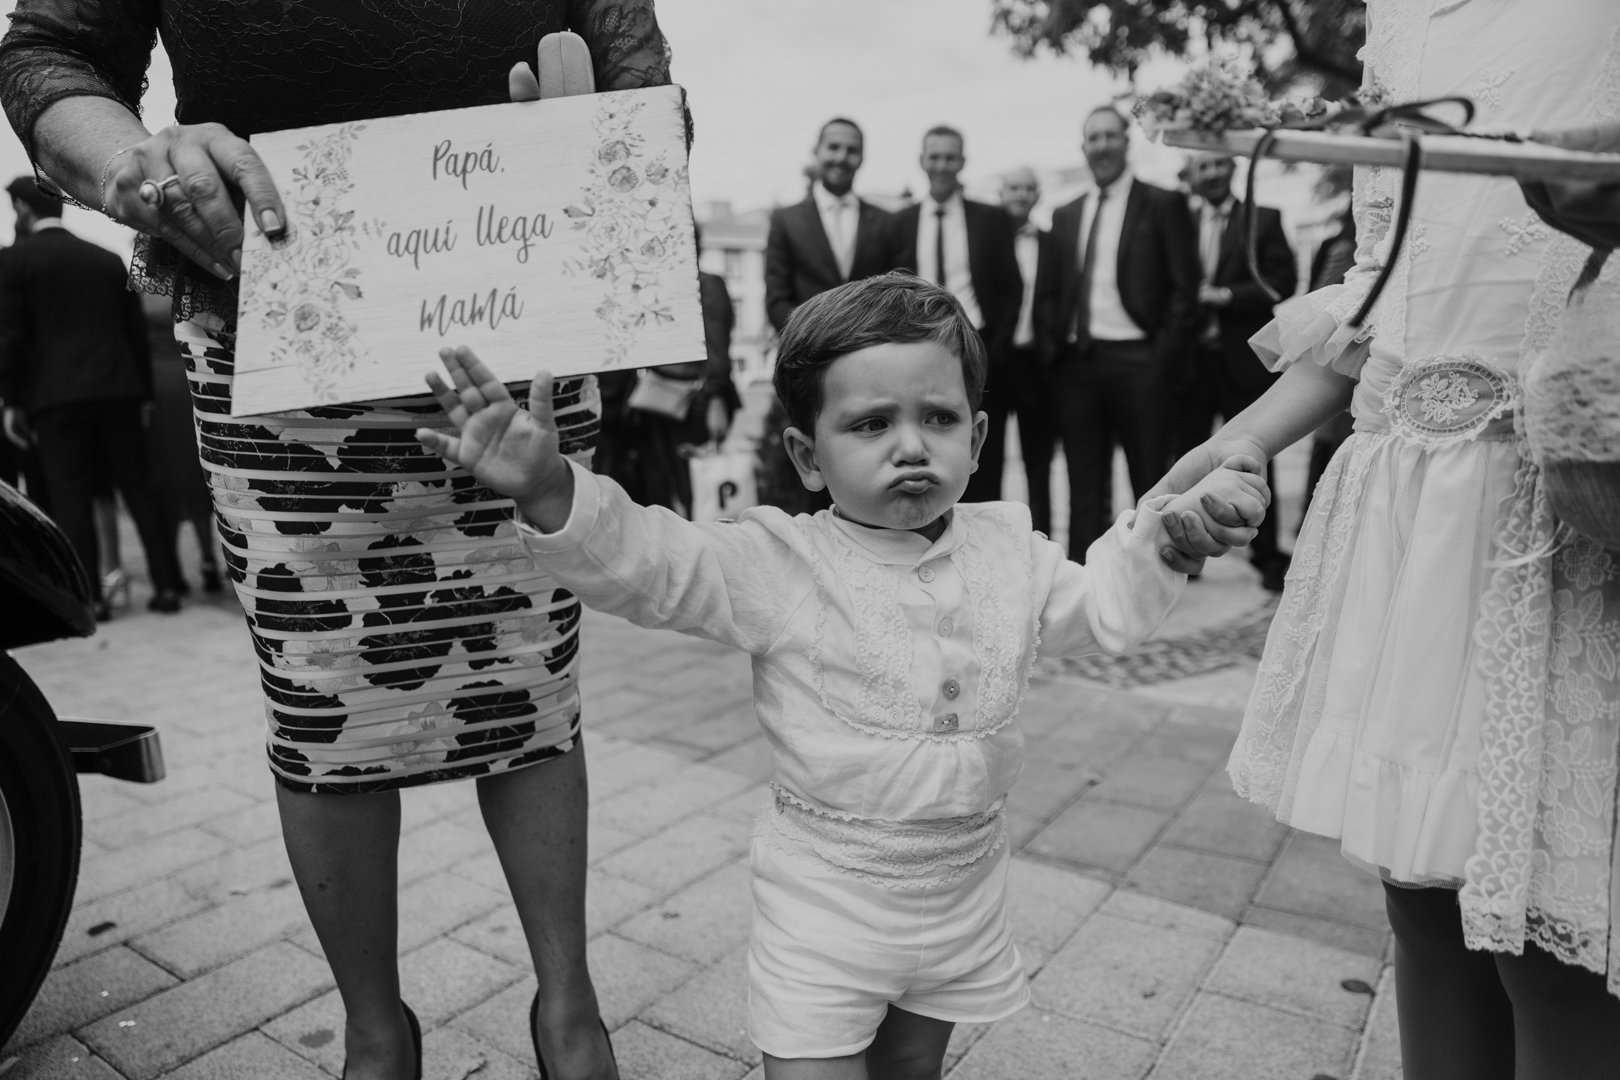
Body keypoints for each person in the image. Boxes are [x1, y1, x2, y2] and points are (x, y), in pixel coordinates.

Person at [0, 5, 675, 1078]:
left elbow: (639, 72)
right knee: (321, 698)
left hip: (514, 303)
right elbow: (48, 51)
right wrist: (137, 165)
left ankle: (569, 1007)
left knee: (530, 680)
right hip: (274, 331)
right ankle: (373, 1027)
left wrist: (617, 139)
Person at [416, 272, 1267, 1080]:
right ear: (807, 454)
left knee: (910, 1067)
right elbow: (655, 564)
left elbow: (1103, 611)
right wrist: (550, 486)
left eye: (937, 418)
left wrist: (1168, 539)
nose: (909, 446)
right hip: (825, 902)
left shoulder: (1012, 551)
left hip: (963, 892)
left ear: (976, 438)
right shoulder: (784, 563)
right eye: (869, 425)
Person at [1153, 1, 1620, 1076]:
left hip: (1568, 501)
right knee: (1422, 904)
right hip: (1411, 506)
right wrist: (1239, 442)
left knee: (1556, 947)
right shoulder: (1396, 16)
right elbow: (1386, 291)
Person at [0, 176, 184, 617]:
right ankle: (167, 587)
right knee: (140, 487)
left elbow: (10, 338)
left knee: (70, 495)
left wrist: (12, 401)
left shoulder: (13, 261)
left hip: (55, 397)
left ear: (23, 211)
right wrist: (142, 393)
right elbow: (134, 333)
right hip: (119, 389)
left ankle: (91, 598)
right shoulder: (104, 260)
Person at [1034, 105, 1199, 557]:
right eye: (1093, 137)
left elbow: (1186, 290)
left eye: (1111, 135)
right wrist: (1053, 350)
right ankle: (1084, 575)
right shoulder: (1064, 215)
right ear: (1083, 148)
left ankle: (1153, 569)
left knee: (1149, 477)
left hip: (1141, 360)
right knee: (1083, 482)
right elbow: (1049, 292)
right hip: (1077, 366)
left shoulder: (1163, 203)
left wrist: (1163, 357)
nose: (1102, 145)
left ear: (1127, 142)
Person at [761, 118, 902, 515]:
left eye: (851, 149)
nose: (842, 156)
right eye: (834, 147)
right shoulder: (785, 221)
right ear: (818, 152)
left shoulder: (887, 223)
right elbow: (776, 298)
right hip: (809, 370)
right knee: (809, 479)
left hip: (874, 375)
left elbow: (897, 297)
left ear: (862, 157)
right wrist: (817, 349)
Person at [1173, 151, 1296, 590]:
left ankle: (1266, 557)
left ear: (1233, 167)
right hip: (1191, 361)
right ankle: (1186, 553)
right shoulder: (1179, 220)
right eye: (1202, 166)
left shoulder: (1263, 219)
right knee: (1188, 458)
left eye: (1218, 164)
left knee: (1253, 456)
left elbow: (1281, 281)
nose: (1211, 173)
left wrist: (1225, 295)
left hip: (1240, 360)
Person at [892, 126, 1022, 504]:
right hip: (915, 350)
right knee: (923, 444)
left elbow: (1012, 288)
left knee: (983, 455)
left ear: (962, 161)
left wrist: (993, 347)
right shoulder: (899, 222)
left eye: (950, 157)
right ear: (922, 161)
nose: (942, 165)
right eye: (935, 156)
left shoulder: (992, 218)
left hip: (978, 349)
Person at [594, 261, 739, 516]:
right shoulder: (655, 285)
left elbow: (717, 348)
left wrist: (716, 398)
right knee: (665, 490)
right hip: (655, 407)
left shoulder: (706, 284)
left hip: (696, 406)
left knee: (697, 488)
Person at [141, 291, 223, 594]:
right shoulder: (189, 288)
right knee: (195, 473)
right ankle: (208, 560)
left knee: (165, 479)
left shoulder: (140, 298)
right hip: (192, 381)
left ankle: (171, 571)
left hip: (157, 392)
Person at [998, 166, 1060, 535]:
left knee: (1039, 463)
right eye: (1013, 188)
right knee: (985, 460)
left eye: (1027, 188)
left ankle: (1041, 538)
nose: (1020, 195)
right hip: (995, 361)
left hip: (1037, 363)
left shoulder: (1053, 243)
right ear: (1001, 194)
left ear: (1037, 195)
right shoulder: (985, 242)